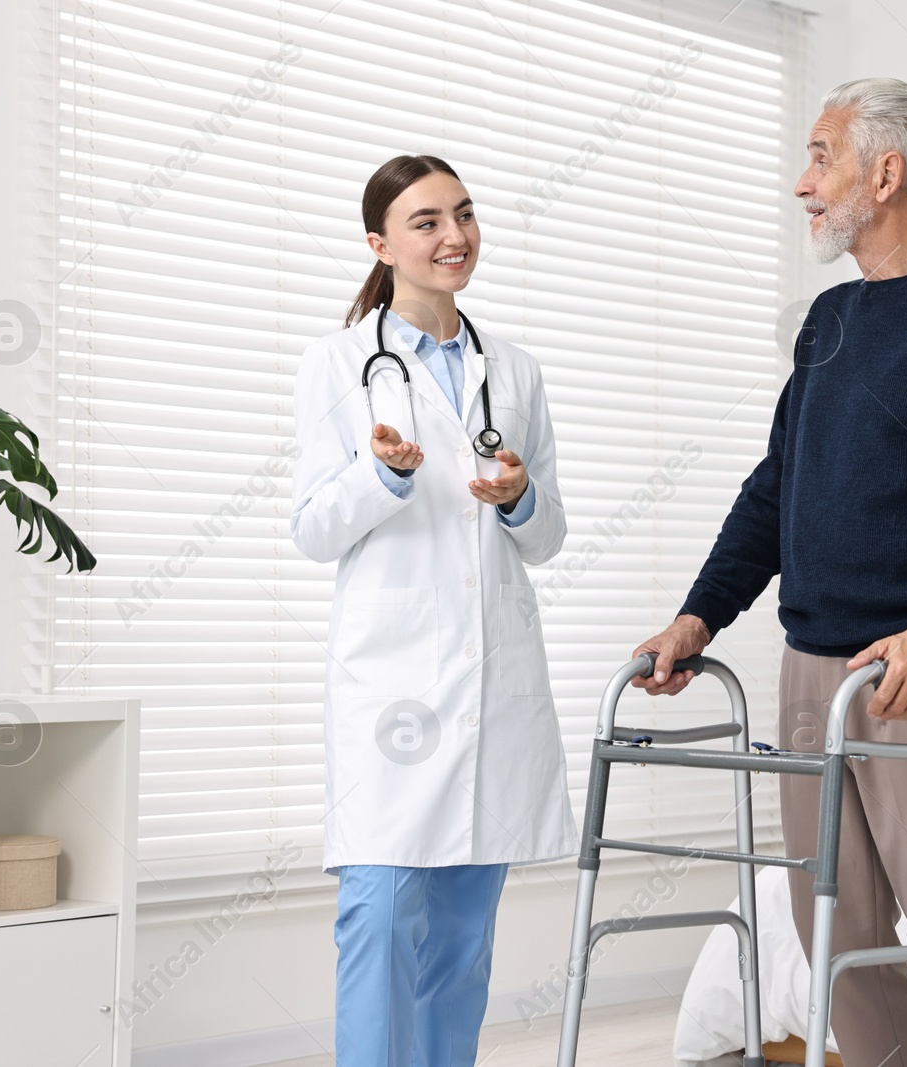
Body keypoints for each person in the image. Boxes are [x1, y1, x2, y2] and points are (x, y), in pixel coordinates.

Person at [632, 79, 907, 1065]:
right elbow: (776, 488)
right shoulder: (829, 319)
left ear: (886, 169)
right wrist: (697, 617)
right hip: (810, 672)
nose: (801, 183)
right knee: (845, 954)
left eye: (819, 156)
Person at [289, 154, 576, 1067]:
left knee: (462, 937)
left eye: (463, 214)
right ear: (381, 243)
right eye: (425, 222)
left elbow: (547, 535)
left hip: (492, 681)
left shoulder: (514, 371)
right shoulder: (339, 365)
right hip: (392, 688)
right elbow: (311, 527)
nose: (453, 237)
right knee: (376, 916)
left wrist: (523, 496)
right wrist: (384, 476)